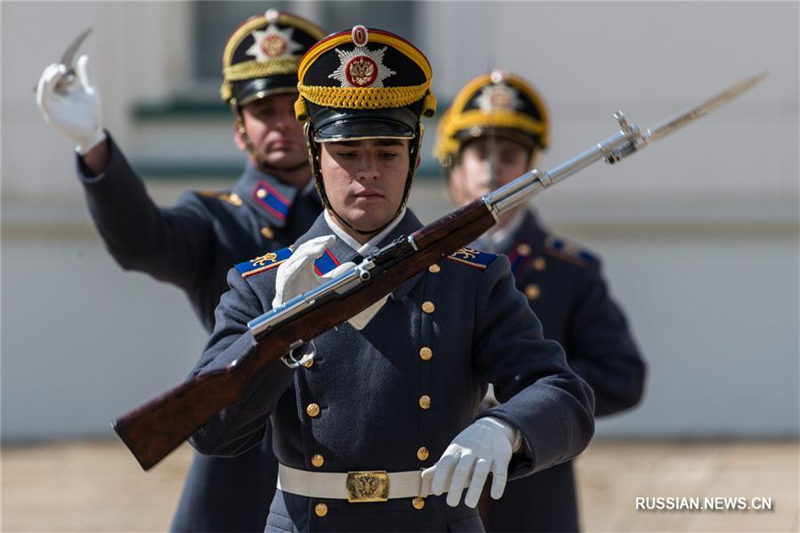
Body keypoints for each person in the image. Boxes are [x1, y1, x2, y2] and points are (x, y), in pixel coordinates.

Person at [189, 26, 596, 532]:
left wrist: (505, 427)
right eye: (348, 152)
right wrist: (276, 332)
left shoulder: (471, 279)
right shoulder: (263, 284)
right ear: (317, 158)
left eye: (387, 152)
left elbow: (563, 395)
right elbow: (211, 432)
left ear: (414, 160)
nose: (368, 172)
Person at [35, 10, 325, 532]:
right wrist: (94, 146)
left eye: (293, 107)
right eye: (263, 109)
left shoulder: (353, 219)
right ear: (240, 130)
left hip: (345, 448)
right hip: (245, 457)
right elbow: (142, 240)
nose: (281, 122)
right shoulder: (218, 218)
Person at [434, 71, 646, 532]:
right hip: (435, 494)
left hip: (533, 491)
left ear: (531, 166)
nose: (492, 169)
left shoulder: (572, 271)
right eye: (478, 154)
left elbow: (621, 376)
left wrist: (523, 405)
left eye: (509, 155)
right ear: (455, 164)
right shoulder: (424, 265)